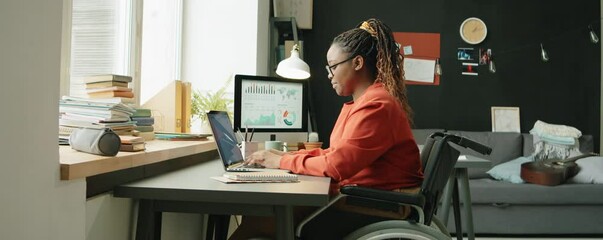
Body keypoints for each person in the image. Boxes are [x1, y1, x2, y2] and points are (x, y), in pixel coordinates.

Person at [229, 18, 423, 240]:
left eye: (333, 66)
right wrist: (286, 155)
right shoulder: (365, 103)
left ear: (357, 63)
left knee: (260, 221)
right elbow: (334, 154)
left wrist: (281, 162)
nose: (329, 74)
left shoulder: (376, 106)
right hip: (366, 199)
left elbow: (336, 166)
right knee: (263, 218)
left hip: (377, 206)